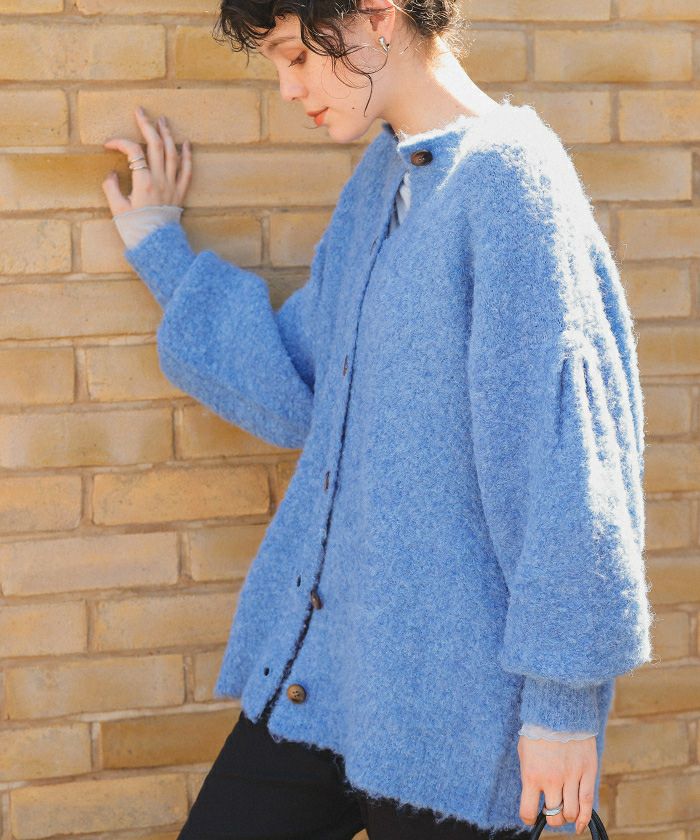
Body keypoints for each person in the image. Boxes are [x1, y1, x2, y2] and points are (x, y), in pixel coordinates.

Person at [100, 0, 655, 837]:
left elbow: (569, 462)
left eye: (296, 55)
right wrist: (162, 251)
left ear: (377, 16)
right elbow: (303, 381)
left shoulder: (509, 182)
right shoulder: (382, 181)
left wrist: (563, 707)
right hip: (330, 680)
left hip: (458, 717)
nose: (288, 89)